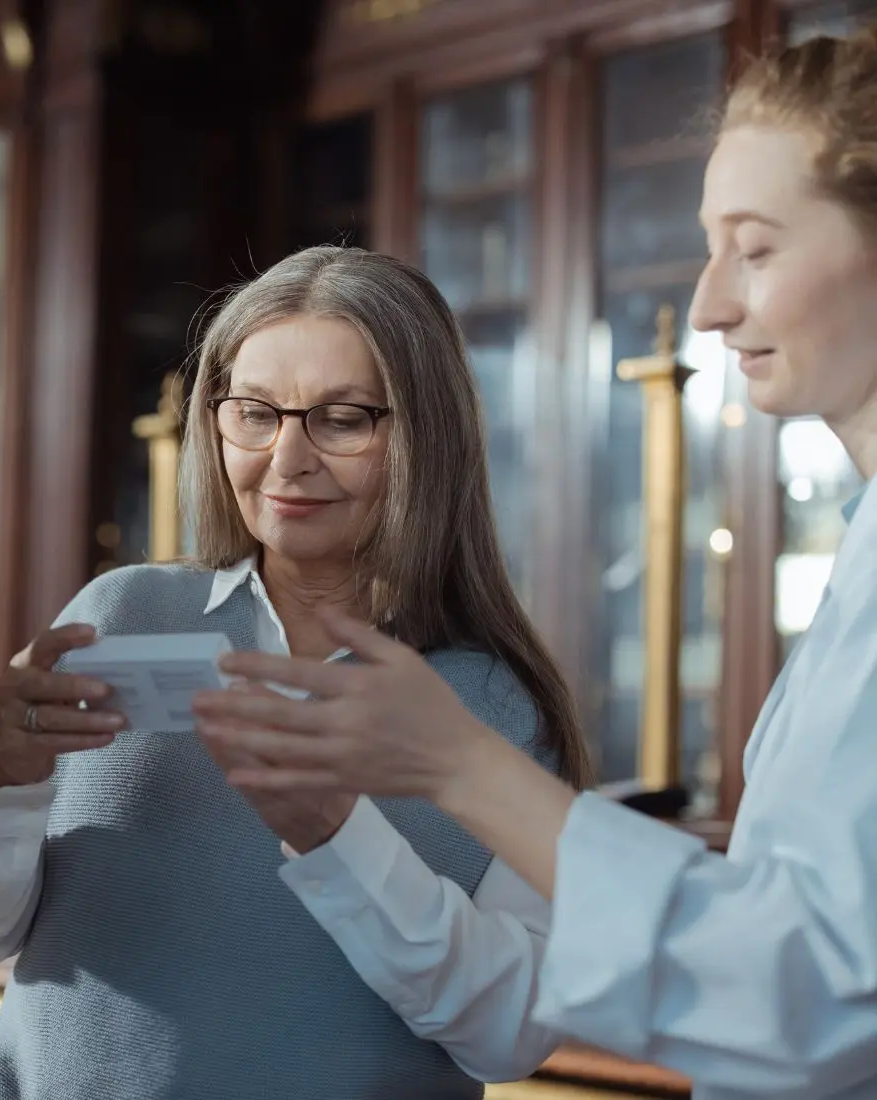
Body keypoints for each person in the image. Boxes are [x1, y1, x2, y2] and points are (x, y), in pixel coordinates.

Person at [192, 28, 877, 1100]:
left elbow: (820, 1000)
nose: (706, 304)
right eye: (708, 246)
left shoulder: (494, 699)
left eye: (756, 246)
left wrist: (460, 764)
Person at [0, 245, 593, 1100]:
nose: (286, 460)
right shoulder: (119, 615)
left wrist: (340, 841)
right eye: (255, 412)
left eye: (342, 419)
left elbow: (511, 1038)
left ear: (430, 435)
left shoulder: (495, 708)